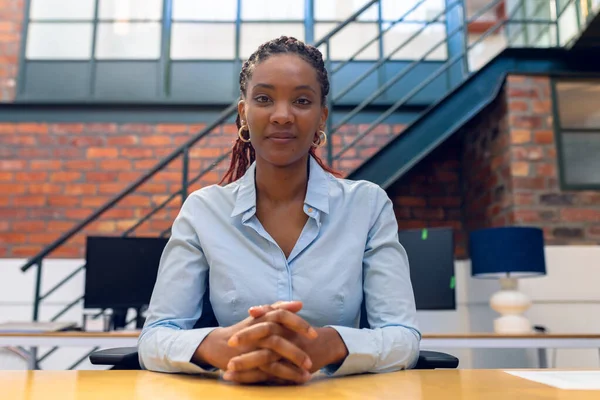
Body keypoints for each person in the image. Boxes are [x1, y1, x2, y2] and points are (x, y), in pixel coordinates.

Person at [138, 36, 420, 385]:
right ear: (244, 113)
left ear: (321, 118)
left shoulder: (368, 205)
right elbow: (154, 337)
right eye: (264, 99)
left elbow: (403, 336)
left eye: (302, 101)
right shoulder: (203, 211)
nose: (283, 115)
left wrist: (329, 345)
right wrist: (220, 346)